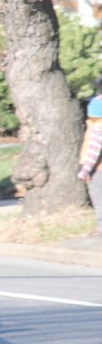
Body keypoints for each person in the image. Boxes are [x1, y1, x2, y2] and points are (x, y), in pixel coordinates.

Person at [78, 83, 102, 237]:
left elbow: (94, 151)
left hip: (98, 170)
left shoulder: (97, 127)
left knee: (99, 198)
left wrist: (84, 170)